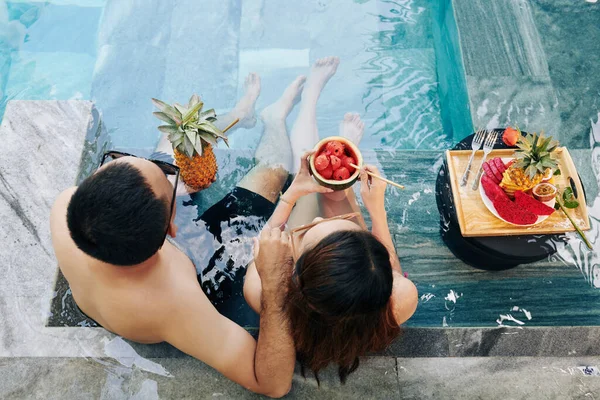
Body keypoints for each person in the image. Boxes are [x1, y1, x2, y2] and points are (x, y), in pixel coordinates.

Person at [50, 71, 319, 397]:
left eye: (120, 160)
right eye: (171, 183)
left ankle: (240, 114)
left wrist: (164, 185)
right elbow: (272, 384)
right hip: (190, 270)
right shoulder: (177, 305)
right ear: (173, 227)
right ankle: (273, 119)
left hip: (137, 258)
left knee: (172, 147)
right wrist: (276, 290)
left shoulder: (66, 207)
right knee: (273, 171)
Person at [243, 57, 419, 383]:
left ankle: (309, 98)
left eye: (311, 230)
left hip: (296, 270)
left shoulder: (263, 293)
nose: (318, 222)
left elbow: (267, 242)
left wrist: (292, 194)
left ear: (296, 272)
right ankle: (340, 186)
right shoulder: (401, 298)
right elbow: (386, 269)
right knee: (336, 195)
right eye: (354, 226)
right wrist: (375, 213)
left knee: (309, 170)